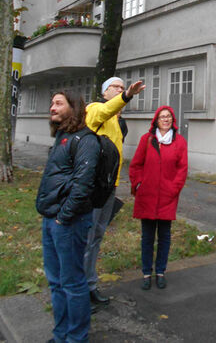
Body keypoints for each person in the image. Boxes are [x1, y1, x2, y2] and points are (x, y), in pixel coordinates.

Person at [36, 91, 100, 343]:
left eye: (58, 103)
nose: (52, 107)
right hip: (51, 219)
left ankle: (76, 338)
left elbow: (83, 185)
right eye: (51, 102)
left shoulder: (86, 140)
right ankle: (60, 334)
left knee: (72, 283)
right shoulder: (62, 137)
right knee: (55, 282)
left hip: (68, 222)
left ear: (73, 108)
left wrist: (63, 218)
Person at [84, 76, 145, 309]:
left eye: (122, 86)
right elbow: (107, 109)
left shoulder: (120, 122)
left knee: (97, 237)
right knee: (87, 239)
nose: (120, 89)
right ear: (105, 92)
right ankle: (79, 291)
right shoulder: (95, 109)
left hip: (110, 188)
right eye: (115, 87)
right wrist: (127, 95)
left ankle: (90, 285)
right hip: (93, 189)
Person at [129, 105, 188, 290]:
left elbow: (182, 169)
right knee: (147, 237)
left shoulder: (179, 142)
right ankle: (147, 273)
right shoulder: (146, 139)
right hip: (147, 196)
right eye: (162, 116)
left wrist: (173, 188)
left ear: (173, 120)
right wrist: (139, 184)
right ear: (156, 120)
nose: (166, 119)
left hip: (167, 197)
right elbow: (136, 164)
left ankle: (160, 271)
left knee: (164, 236)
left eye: (169, 116)